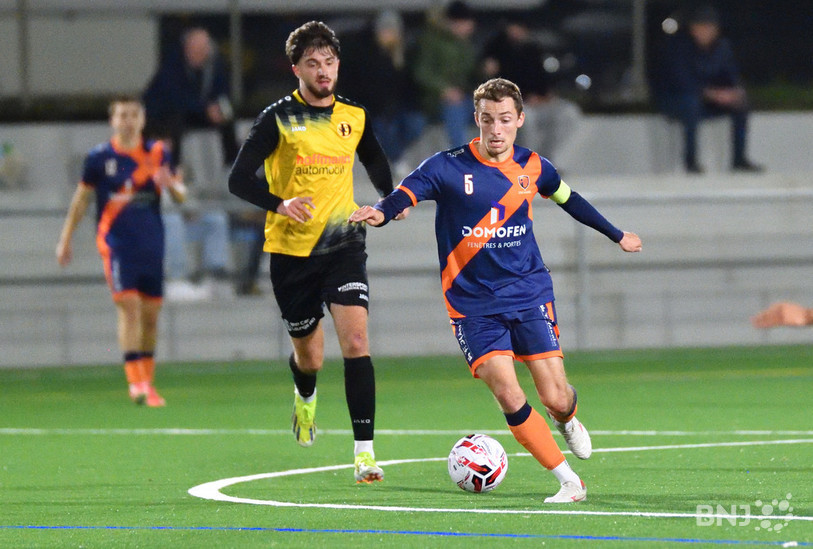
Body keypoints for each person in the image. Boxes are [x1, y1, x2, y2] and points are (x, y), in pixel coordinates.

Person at [350, 78, 643, 502]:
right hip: (471, 304)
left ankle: (566, 418)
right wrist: (380, 212)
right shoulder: (445, 167)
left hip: (527, 292)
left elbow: (569, 199)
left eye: (505, 119)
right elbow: (404, 194)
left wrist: (616, 235)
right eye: (487, 120)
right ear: (477, 120)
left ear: (520, 120)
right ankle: (568, 482)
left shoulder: (534, 166)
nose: (496, 129)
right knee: (508, 391)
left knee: (556, 396)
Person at [228, 21, 401, 483]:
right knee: (311, 358)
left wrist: (390, 200)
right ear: (296, 68)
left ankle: (364, 453)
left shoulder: (354, 115)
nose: (323, 71)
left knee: (358, 343)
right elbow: (238, 180)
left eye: (328, 62)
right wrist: (280, 203)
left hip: (344, 244)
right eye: (312, 64)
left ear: (338, 65)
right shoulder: (276, 119)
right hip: (291, 253)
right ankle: (305, 398)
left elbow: (375, 159)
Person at [56, 96, 187, 407]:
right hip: (116, 244)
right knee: (129, 308)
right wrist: (66, 239)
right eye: (122, 115)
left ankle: (148, 382)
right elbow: (81, 200)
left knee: (151, 316)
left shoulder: (158, 153)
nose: (128, 120)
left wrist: (170, 185)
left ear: (142, 119)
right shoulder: (99, 158)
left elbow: (181, 197)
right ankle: (136, 383)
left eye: (133, 115)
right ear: (113, 120)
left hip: (152, 242)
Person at [652, 5, 763, 174]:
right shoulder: (679, 47)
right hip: (675, 100)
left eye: (710, 27)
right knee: (691, 104)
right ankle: (691, 163)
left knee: (741, 102)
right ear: (692, 29)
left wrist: (732, 92)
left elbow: (731, 76)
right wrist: (712, 94)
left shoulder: (722, 48)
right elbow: (682, 82)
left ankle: (739, 160)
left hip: (708, 101)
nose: (705, 31)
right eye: (701, 27)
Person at [480, 17, 581, 167]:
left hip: (540, 101)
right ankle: (525, 162)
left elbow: (543, 79)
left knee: (569, 113)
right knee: (527, 119)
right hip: (514, 104)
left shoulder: (534, 50)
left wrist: (545, 95)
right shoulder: (496, 51)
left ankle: (545, 160)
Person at [339, 10, 427, 176]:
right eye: (386, 31)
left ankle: (388, 154)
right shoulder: (365, 54)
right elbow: (358, 86)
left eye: (393, 31)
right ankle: (396, 159)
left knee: (415, 123)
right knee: (385, 128)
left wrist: (413, 106)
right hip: (372, 108)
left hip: (399, 108)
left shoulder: (403, 54)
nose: (389, 35)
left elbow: (409, 87)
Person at [143, 27, 239, 168]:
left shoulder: (214, 66)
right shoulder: (172, 66)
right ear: (186, 48)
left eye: (202, 50)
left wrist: (220, 108)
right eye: (195, 50)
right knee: (175, 123)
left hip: (197, 112)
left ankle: (234, 165)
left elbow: (222, 91)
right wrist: (205, 109)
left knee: (227, 119)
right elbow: (174, 98)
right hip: (165, 113)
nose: (199, 54)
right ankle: (173, 167)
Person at [413, 0, 479, 148]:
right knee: (455, 110)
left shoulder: (465, 45)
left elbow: (470, 74)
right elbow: (422, 73)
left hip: (464, 96)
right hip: (435, 100)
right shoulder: (432, 41)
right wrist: (444, 90)